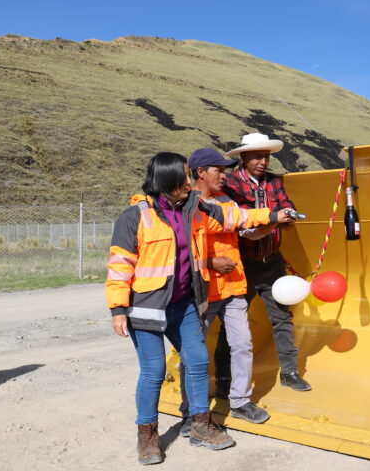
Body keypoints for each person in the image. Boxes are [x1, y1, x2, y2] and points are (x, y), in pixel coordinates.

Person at [106, 152, 292, 465]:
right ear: (167, 179)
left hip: (183, 305)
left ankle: (201, 425)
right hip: (146, 310)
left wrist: (272, 217)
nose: (190, 180)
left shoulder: (193, 205)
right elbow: (120, 266)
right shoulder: (134, 216)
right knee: (154, 372)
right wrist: (117, 309)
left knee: (197, 360)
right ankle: (147, 436)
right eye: (185, 176)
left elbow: (235, 217)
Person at [177, 148, 284, 435]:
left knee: (243, 345)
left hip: (234, 286)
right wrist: (210, 262)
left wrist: (274, 221)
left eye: (225, 171)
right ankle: (190, 411)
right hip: (203, 291)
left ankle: (239, 401)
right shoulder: (187, 205)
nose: (224, 176)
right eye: (218, 171)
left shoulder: (225, 200)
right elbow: (179, 251)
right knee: (194, 352)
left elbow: (247, 227)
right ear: (200, 173)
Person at [224, 133, 311, 392]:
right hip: (242, 265)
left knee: (282, 318)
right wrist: (275, 218)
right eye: (257, 156)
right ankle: (222, 377)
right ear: (243, 157)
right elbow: (241, 220)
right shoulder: (229, 184)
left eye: (266, 156)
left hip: (272, 262)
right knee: (233, 321)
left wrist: (291, 214)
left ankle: (290, 372)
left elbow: (286, 203)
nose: (263, 161)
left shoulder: (274, 182)